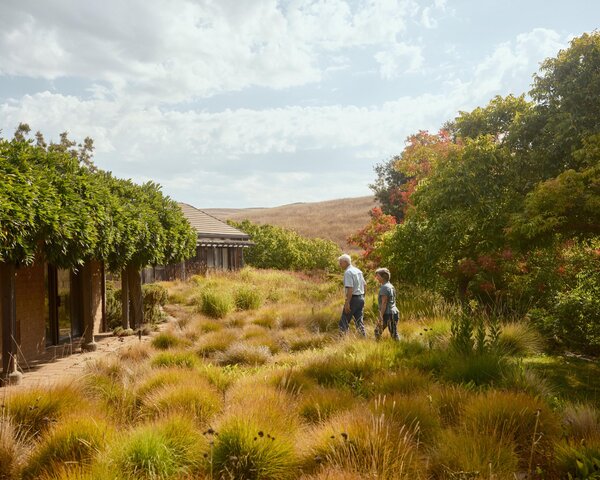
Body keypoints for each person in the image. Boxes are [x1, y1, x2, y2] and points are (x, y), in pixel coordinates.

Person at [338, 254, 366, 337]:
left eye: (340, 263)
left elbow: (350, 289)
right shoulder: (358, 271)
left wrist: (347, 302)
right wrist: (363, 297)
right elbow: (365, 285)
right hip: (360, 298)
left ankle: (342, 342)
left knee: (343, 322)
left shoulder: (348, 272)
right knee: (359, 321)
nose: (340, 265)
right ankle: (363, 339)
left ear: (346, 262)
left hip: (353, 299)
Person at [374, 267, 400, 341]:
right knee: (393, 333)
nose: (376, 278)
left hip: (388, 314)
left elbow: (384, 303)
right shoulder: (390, 286)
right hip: (394, 312)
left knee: (378, 331)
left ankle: (379, 347)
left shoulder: (384, 288)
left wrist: (380, 316)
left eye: (378, 276)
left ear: (383, 277)